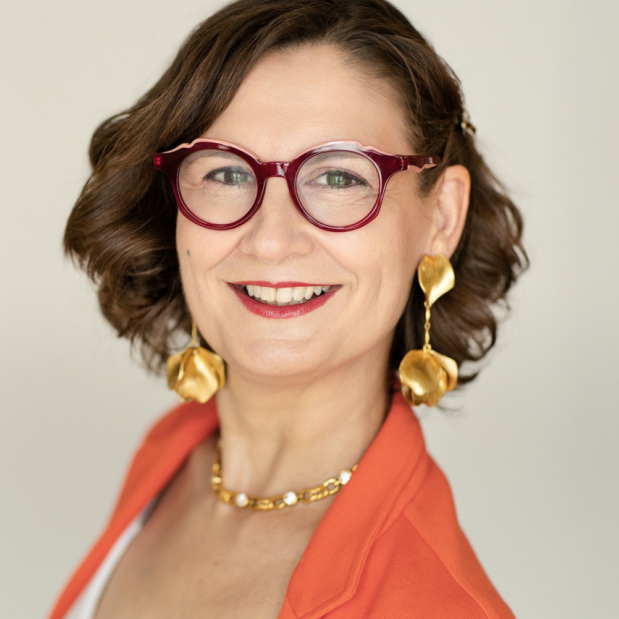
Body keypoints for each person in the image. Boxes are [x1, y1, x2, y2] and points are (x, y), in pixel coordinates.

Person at [48, 0, 527, 617]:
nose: (271, 240)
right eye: (225, 173)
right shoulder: (170, 455)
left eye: (339, 178)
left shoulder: (438, 605)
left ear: (441, 219)